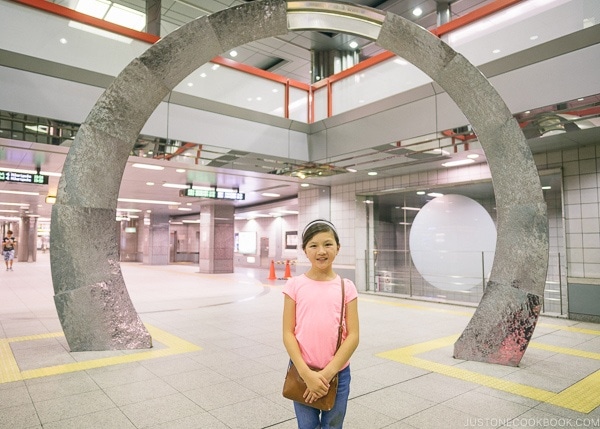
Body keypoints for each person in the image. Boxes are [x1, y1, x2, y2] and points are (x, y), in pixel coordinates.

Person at [283, 219, 359, 428]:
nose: (321, 251)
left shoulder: (346, 287)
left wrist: (327, 374)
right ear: (305, 250)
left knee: (333, 425)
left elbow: (353, 336)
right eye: (313, 245)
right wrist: (307, 374)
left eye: (327, 244)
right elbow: (288, 333)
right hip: (301, 371)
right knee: (306, 426)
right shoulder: (295, 285)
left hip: (337, 374)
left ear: (338, 247)